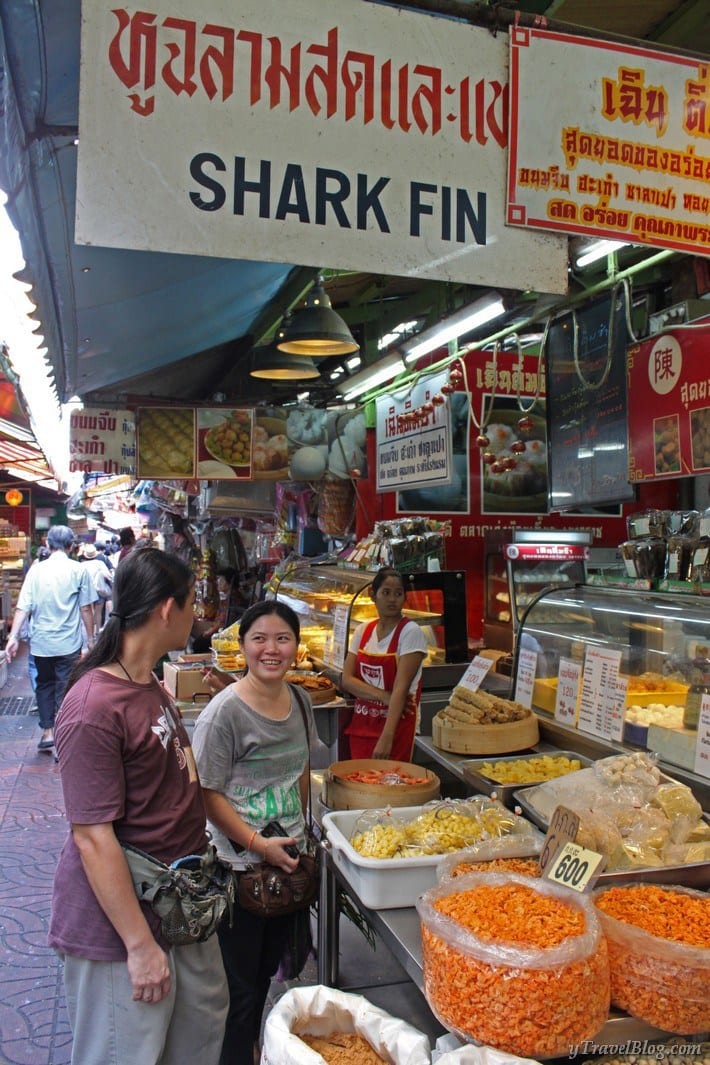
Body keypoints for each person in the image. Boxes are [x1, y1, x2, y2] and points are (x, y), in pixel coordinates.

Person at [48, 548, 228, 1065]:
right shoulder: (93, 707)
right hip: (123, 928)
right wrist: (139, 945)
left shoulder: (147, 679)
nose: (200, 614)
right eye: (194, 602)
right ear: (167, 610)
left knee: (195, 1040)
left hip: (179, 906)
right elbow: (91, 837)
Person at [192, 600, 317, 1065]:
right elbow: (207, 795)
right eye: (259, 639)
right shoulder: (223, 714)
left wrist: (304, 832)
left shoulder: (301, 700)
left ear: (296, 647)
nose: (271, 649)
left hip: (287, 868)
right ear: (242, 647)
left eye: (282, 639)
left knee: (268, 974)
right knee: (239, 994)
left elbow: (302, 770)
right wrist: (257, 843)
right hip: (238, 870)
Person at [4, 525, 97, 751]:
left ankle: (48, 733)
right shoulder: (78, 570)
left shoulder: (36, 571)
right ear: (71, 546)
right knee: (64, 687)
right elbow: (86, 609)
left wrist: (13, 637)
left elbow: (23, 607)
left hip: (41, 644)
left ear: (47, 544)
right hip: (68, 644)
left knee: (44, 685)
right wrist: (91, 640)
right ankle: (62, 738)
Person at [341, 566, 427, 761]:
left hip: (396, 728)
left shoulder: (410, 632)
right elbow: (346, 680)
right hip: (362, 726)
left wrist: (386, 738)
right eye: (386, 592)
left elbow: (401, 689)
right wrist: (384, 698)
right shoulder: (363, 630)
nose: (392, 599)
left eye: (398, 593)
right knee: (360, 784)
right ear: (374, 595)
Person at [79, 542, 113, 638]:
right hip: (99, 590)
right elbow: (108, 576)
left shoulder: (82, 565)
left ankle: (91, 632)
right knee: (98, 612)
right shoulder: (100, 563)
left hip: (87, 592)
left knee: (90, 611)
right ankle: (97, 631)